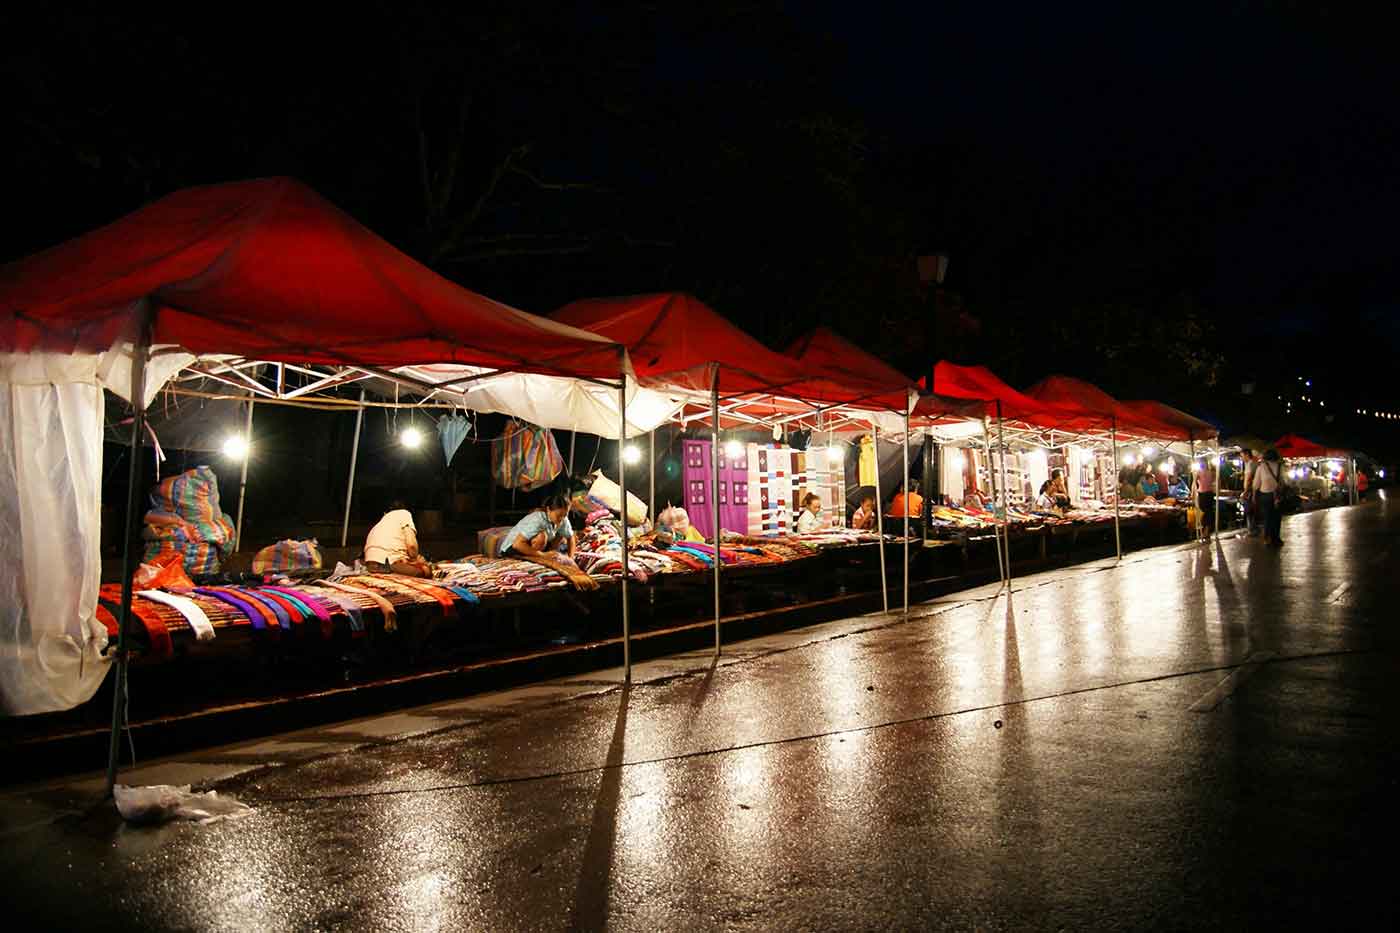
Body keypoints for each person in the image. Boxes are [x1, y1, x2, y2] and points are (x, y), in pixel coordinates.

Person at [364, 503, 432, 578]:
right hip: (388, 563)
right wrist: (416, 559)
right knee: (426, 570)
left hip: (370, 565)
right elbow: (411, 546)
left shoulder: (382, 521)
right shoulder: (404, 514)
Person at [501, 494, 577, 559]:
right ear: (548, 510)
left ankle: (545, 554)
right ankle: (534, 559)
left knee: (562, 534)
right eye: (558, 515)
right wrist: (542, 555)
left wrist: (571, 558)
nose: (562, 518)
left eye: (565, 515)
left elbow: (570, 537)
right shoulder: (538, 519)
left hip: (533, 547)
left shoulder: (563, 519)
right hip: (511, 549)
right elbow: (517, 544)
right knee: (542, 536)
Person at [1250, 449, 1286, 546]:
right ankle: (1276, 538)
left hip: (1265, 495)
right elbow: (1283, 481)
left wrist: (1253, 496)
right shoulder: (1280, 467)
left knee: (1267, 517)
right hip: (1277, 495)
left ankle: (1267, 538)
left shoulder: (1261, 467)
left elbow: (1256, 484)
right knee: (1277, 518)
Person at [1240, 451, 1260, 536]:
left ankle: (1252, 530)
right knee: (1250, 511)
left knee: (1249, 511)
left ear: (1247, 454)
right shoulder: (1249, 464)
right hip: (1250, 490)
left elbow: (1250, 479)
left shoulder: (1251, 464)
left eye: (1242, 456)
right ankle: (1252, 529)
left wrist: (1245, 491)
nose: (1242, 458)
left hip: (1250, 490)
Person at [1196, 459, 1216, 539]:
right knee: (1203, 511)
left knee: (1208, 512)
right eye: (1201, 463)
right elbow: (1194, 483)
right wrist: (1192, 493)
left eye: (1203, 463)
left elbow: (1217, 481)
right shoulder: (1198, 472)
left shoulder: (1212, 472)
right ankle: (1205, 530)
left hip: (1208, 494)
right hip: (1201, 494)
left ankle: (1206, 530)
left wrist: (1216, 489)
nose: (1202, 464)